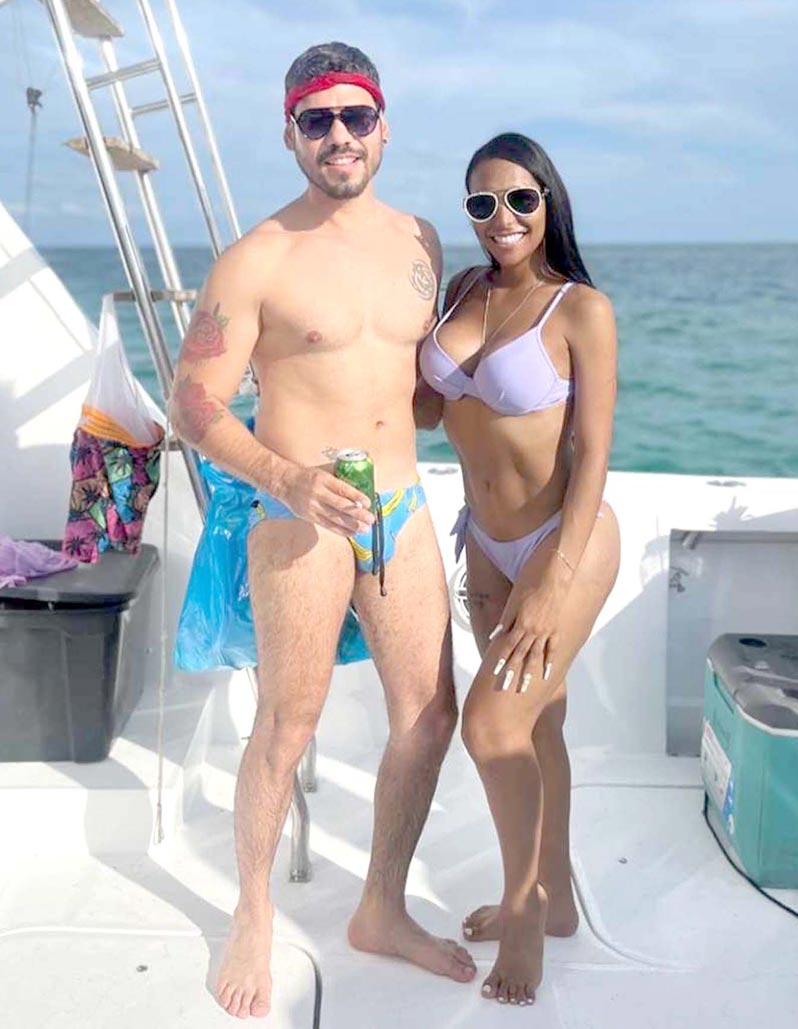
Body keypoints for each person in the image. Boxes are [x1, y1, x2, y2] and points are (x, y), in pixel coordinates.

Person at [168, 42, 476, 1022]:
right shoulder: (258, 257)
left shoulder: (421, 239)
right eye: (317, 120)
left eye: (355, 117)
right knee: (286, 723)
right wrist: (289, 480)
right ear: (292, 134)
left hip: (399, 504)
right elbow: (192, 404)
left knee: (429, 715)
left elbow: (417, 393)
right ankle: (251, 911)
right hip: (297, 509)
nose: (338, 136)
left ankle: (380, 906)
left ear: (382, 127)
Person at [415, 132, 621, 1006]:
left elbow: (595, 454)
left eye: (519, 199)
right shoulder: (464, 289)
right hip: (485, 544)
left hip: (562, 540)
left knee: (492, 727)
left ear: (547, 202)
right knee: (537, 724)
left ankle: (525, 905)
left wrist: (551, 579)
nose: (501, 217)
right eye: (482, 202)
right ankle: (559, 894)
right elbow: (427, 411)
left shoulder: (580, 309)